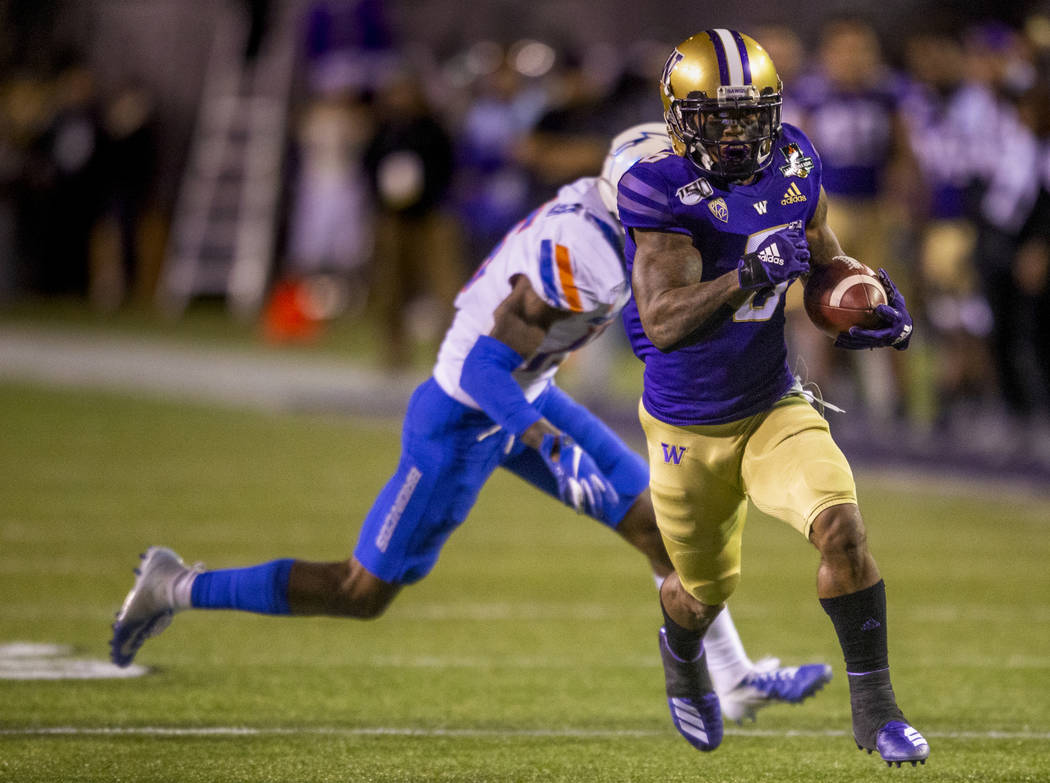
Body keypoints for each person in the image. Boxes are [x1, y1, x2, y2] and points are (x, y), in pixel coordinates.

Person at [110, 123, 833, 725]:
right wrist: (546, 438)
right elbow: (487, 368)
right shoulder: (585, 248)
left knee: (658, 524)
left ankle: (734, 680)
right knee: (360, 592)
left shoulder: (623, 220)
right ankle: (176, 584)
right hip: (465, 412)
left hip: (529, 392)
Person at [617, 31, 929, 766]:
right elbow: (662, 323)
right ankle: (681, 655)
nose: (737, 133)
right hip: (686, 426)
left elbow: (824, 257)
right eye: (718, 117)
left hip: (772, 404)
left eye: (750, 114)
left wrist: (863, 300)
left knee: (842, 528)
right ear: (680, 117)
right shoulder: (657, 188)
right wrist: (746, 276)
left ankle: (878, 711)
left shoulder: (793, 161)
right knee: (700, 593)